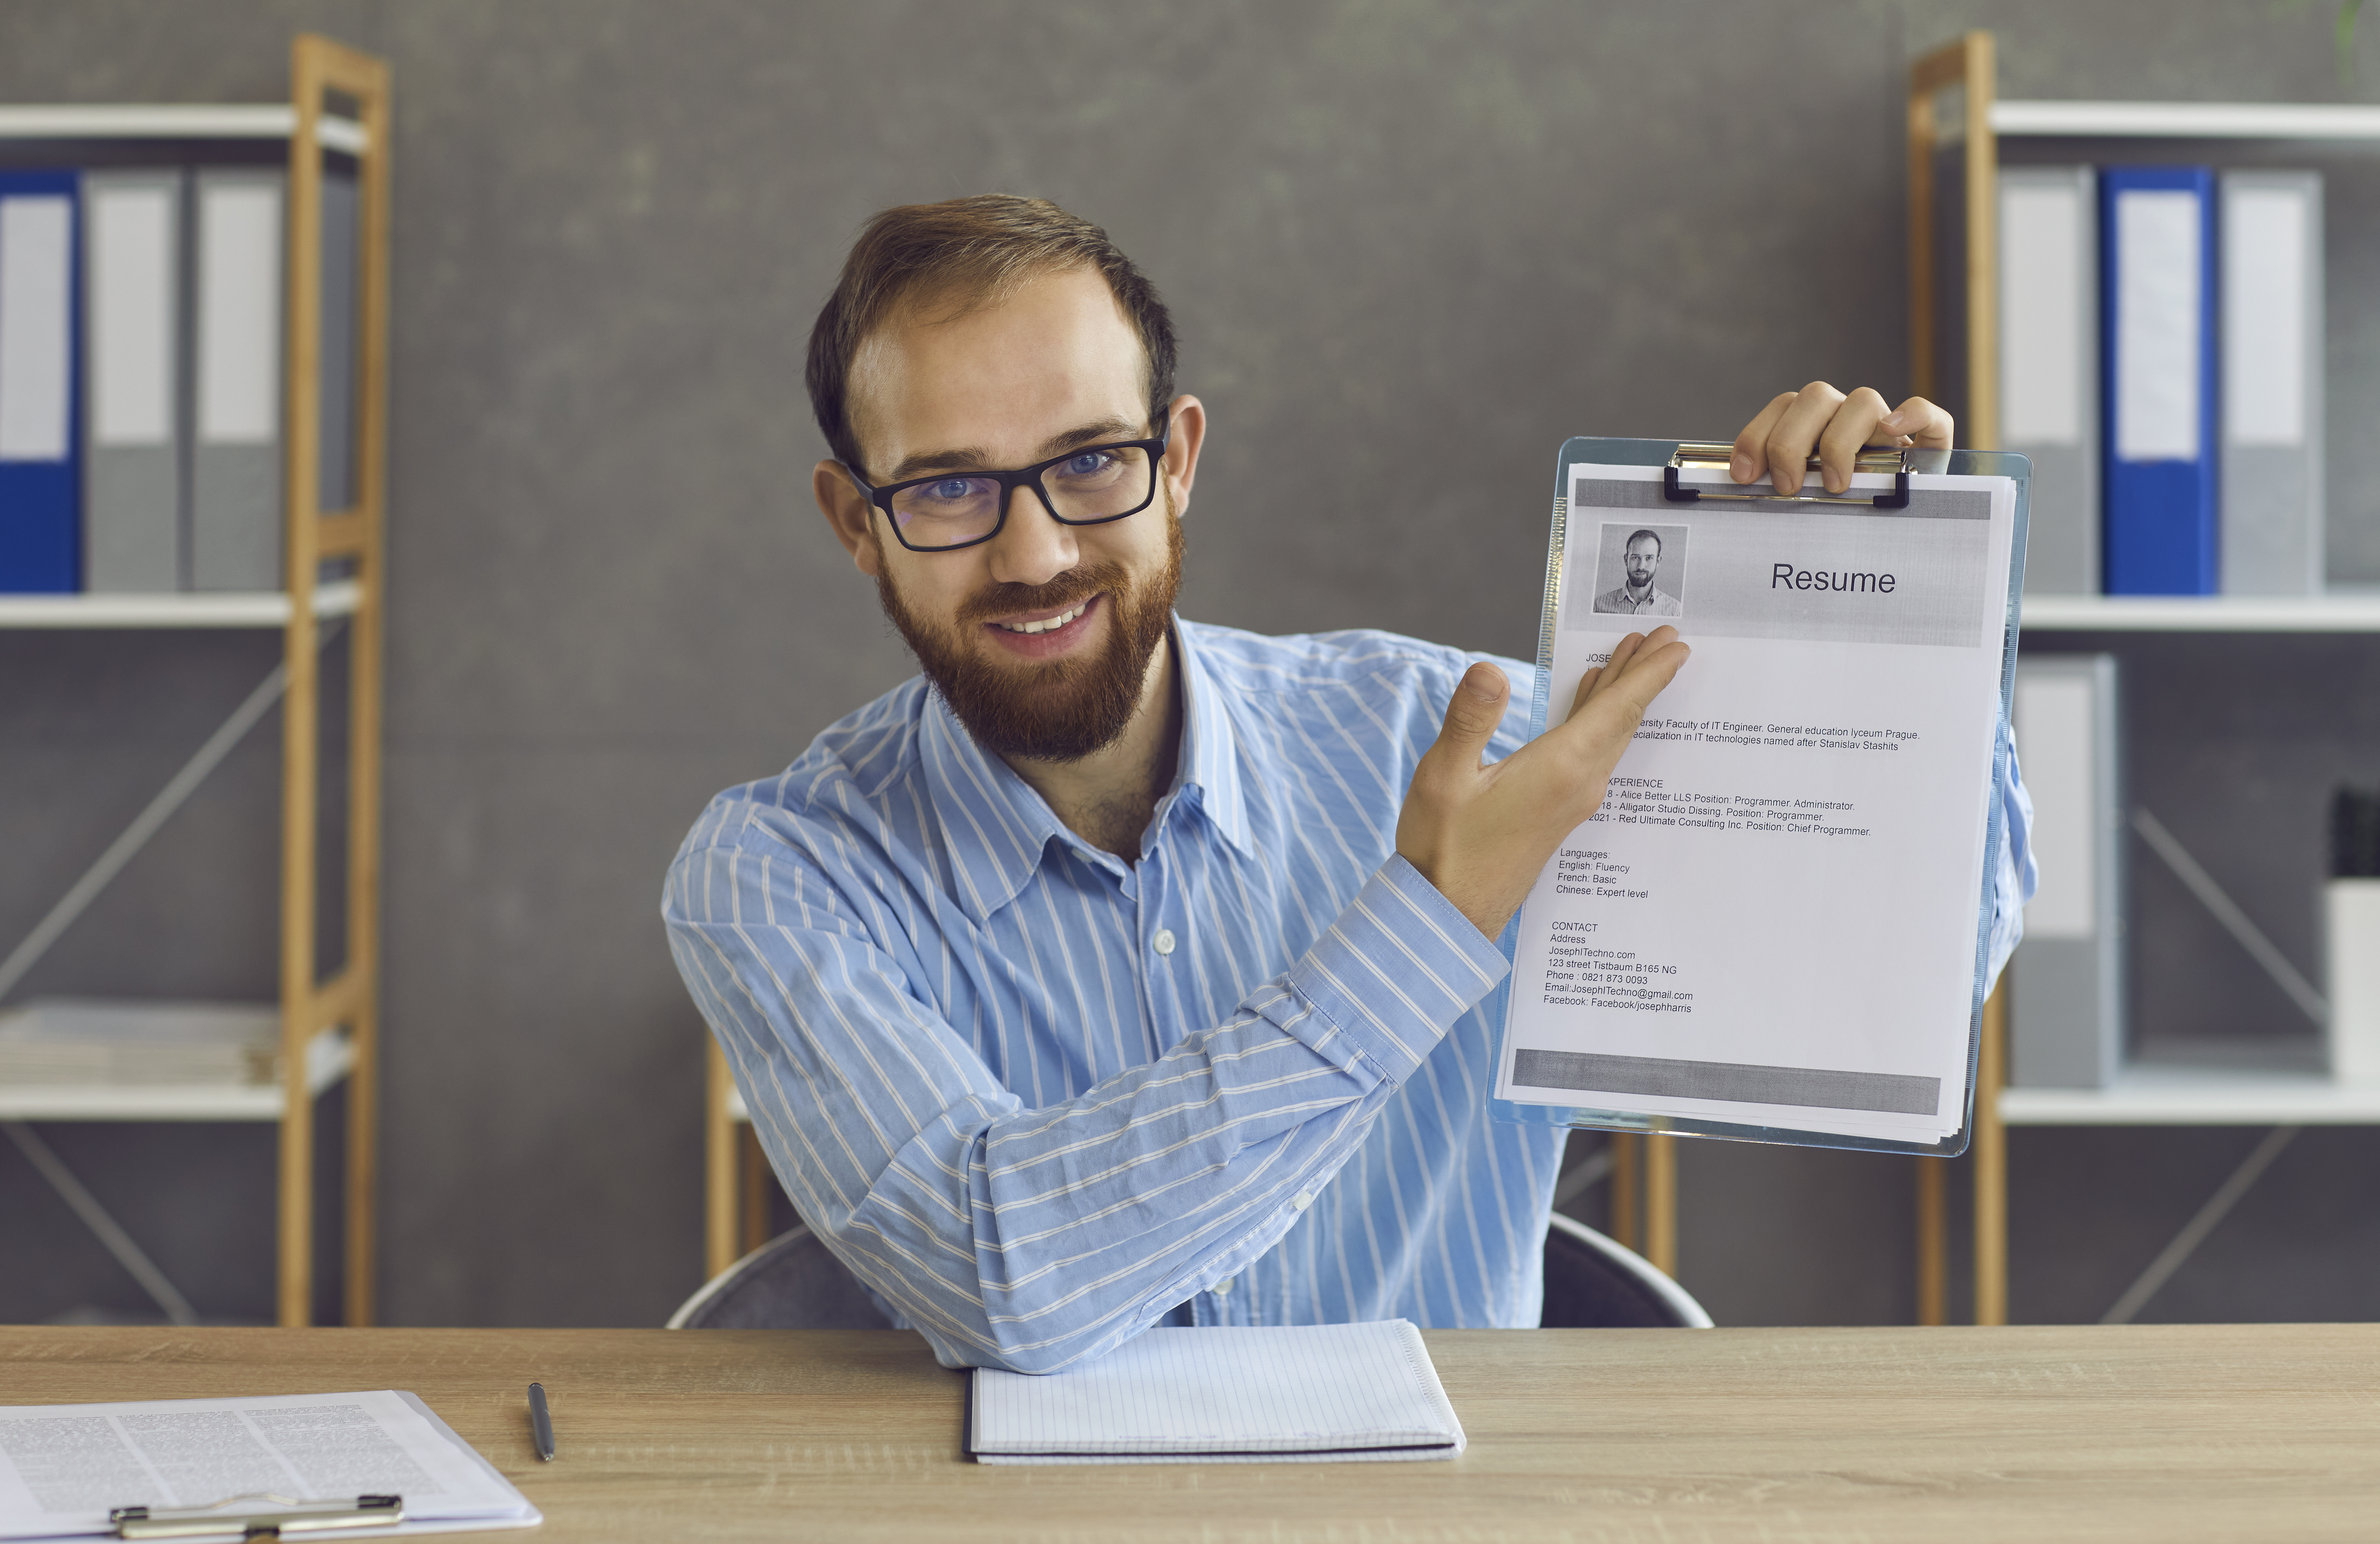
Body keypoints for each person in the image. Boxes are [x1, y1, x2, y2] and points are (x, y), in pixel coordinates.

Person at [662, 195, 2034, 1372]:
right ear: (857, 522)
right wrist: (1423, 928)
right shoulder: (779, 875)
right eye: (951, 488)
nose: (1032, 554)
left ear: (1177, 459)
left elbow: (1889, 993)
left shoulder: (1458, 744)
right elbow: (999, 1272)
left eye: (1088, 461)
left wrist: (1886, 633)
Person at [1595, 528, 1681, 616]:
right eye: (1635, 558)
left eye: (1649, 558)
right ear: (1626, 560)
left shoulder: (1674, 609)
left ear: (1658, 561)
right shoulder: (1600, 605)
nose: (1641, 566)